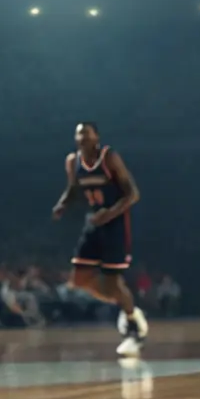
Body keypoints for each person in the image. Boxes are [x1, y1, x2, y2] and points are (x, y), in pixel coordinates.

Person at [52, 122, 147, 357]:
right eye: (78, 134)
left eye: (87, 134)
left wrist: (110, 214)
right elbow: (73, 188)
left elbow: (133, 193)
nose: (82, 138)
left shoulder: (109, 157)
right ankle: (128, 308)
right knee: (79, 279)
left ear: (97, 138)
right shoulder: (72, 161)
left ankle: (134, 326)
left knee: (114, 282)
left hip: (115, 223)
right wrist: (63, 204)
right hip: (93, 222)